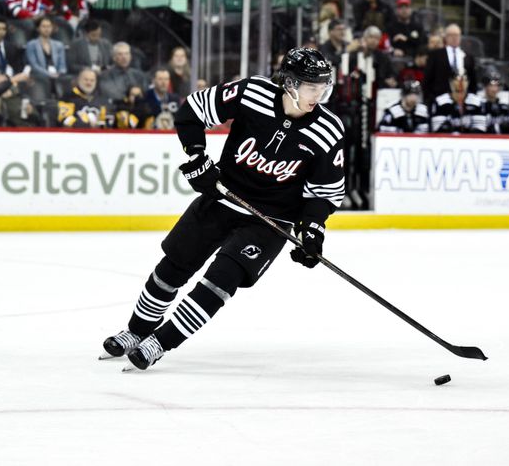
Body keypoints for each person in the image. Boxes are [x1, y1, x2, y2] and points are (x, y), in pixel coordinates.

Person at [101, 48, 346, 370]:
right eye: (311, 87)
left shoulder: (328, 129)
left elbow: (324, 192)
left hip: (270, 221)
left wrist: (312, 229)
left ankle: (160, 343)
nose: (318, 95)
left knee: (221, 280)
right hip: (222, 197)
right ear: (288, 83)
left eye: (323, 88)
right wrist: (198, 157)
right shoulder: (252, 93)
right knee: (172, 268)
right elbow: (192, 110)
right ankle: (137, 331)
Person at [423, 23, 476, 105]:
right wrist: (430, 99)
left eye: (457, 35)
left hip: (462, 101)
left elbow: (472, 80)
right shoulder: (435, 55)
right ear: (446, 37)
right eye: (451, 35)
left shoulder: (468, 57)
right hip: (439, 100)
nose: (454, 38)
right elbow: (427, 78)